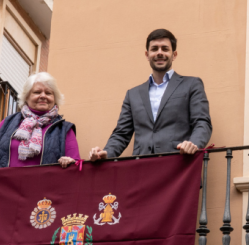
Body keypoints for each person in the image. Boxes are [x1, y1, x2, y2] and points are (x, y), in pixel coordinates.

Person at [89, 29, 211, 160]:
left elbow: (202, 122)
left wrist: (193, 144)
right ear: (147, 54)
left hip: (179, 165)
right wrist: (107, 153)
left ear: (174, 55)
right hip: (142, 170)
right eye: (154, 49)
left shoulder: (191, 84)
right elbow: (121, 134)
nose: (159, 53)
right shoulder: (133, 94)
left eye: (165, 49)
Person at [0, 72, 80, 178]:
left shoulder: (64, 129)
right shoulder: (8, 123)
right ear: (26, 97)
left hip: (42, 197)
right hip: (5, 192)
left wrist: (69, 162)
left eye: (48, 93)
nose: (43, 96)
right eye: (37, 92)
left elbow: (76, 164)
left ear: (55, 99)